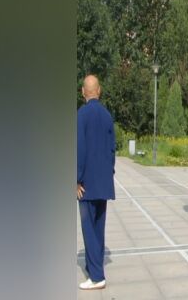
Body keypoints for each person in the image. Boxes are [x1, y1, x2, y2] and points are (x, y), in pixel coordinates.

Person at [77, 75, 115, 290]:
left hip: (87, 185)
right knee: (98, 228)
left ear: (84, 92)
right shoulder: (107, 115)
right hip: (103, 183)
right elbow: (112, 150)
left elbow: (79, 150)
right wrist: (109, 173)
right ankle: (94, 266)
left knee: (88, 229)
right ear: (98, 91)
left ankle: (97, 277)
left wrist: (76, 179)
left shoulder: (81, 115)